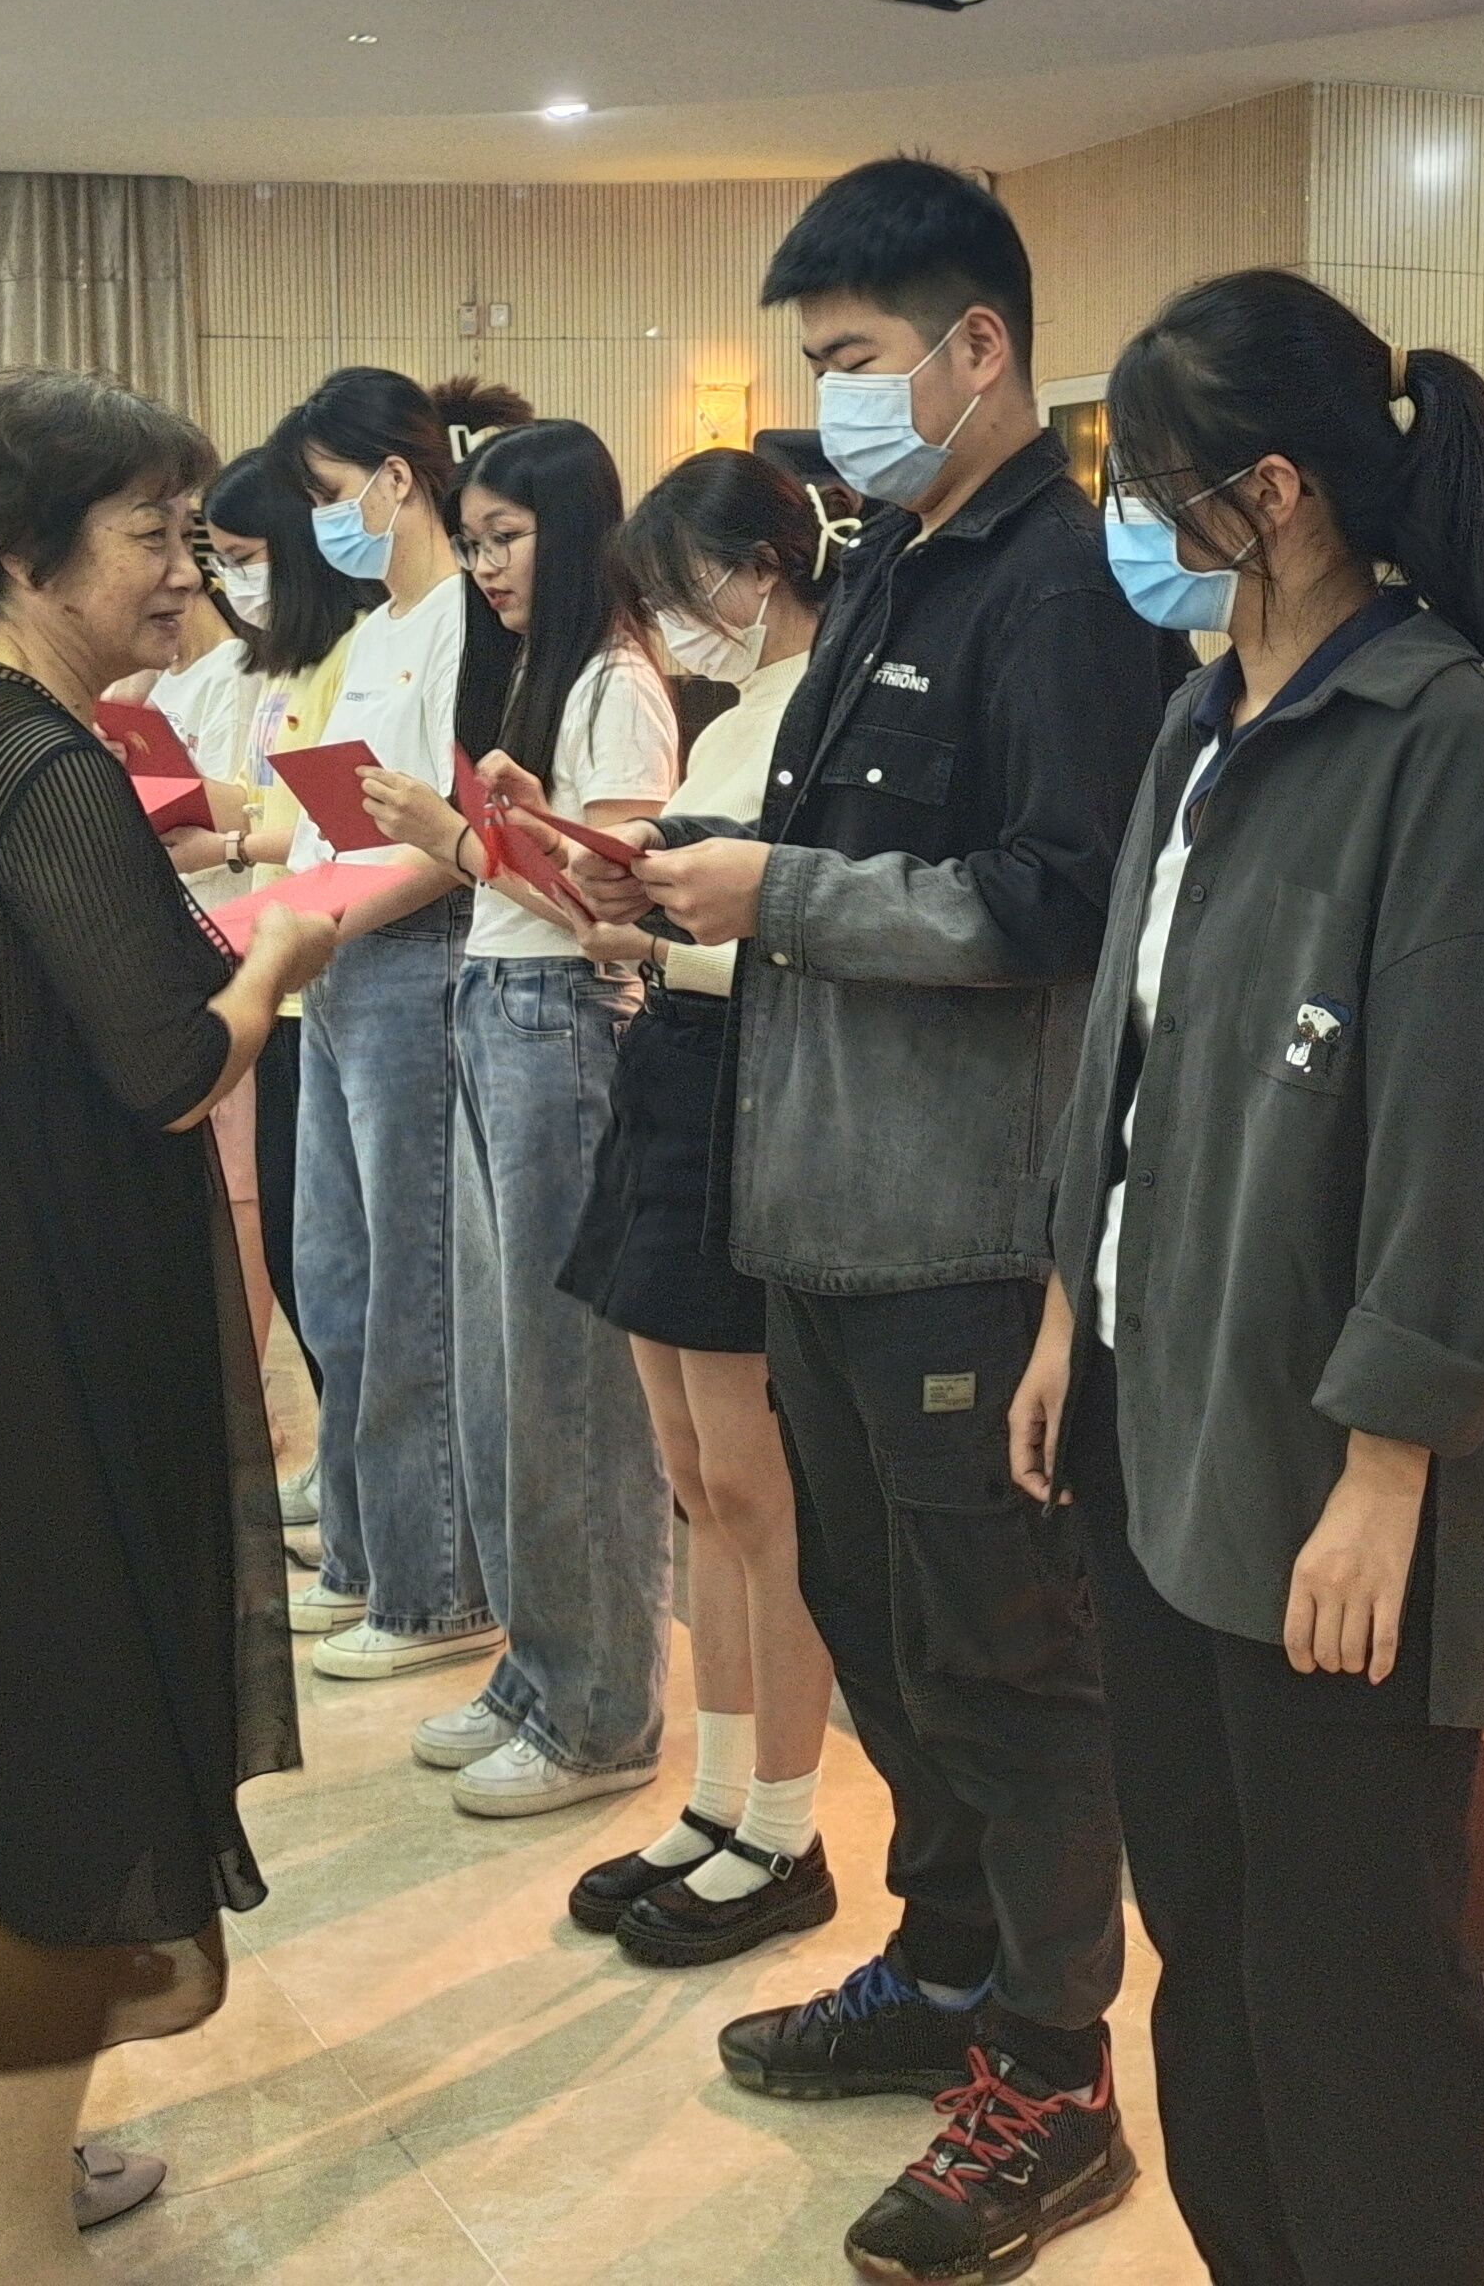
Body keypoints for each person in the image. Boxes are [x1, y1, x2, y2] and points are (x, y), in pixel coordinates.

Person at [564, 157, 1180, 2286]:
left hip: (961, 1234)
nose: (828, 395)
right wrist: (663, 891)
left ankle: (1055, 2079)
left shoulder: (1062, 589)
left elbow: (1059, 906)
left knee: (1005, 1661)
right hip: (818, 1214)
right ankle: (945, 1973)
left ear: (975, 348)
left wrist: (785, 896)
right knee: (891, 1639)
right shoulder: (900, 561)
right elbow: (818, 882)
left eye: (850, 356)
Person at [1007, 272, 1484, 2286]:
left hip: (1333, 1479)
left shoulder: (1442, 744)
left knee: (1356, 1984)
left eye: (1148, 487)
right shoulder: (1204, 720)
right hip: (1160, 1424)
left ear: (1271, 493)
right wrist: (1065, 1308)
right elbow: (1130, 1051)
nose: (1127, 526)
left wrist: (1385, 1469)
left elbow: (1467, 1150)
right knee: (1211, 1938)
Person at [0, 372, 334, 2286]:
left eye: (192, 533)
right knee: (51, 1746)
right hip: (31, 1333)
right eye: (152, 537)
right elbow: (169, 1064)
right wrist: (283, 949)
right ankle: (17, 2240)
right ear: (28, 553)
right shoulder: (45, 763)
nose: (189, 573)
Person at [352, 419, 682, 1819]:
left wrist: (452, 840)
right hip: (498, 1003)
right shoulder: (547, 672)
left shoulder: (619, 679)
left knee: (569, 1382)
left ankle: (600, 1709)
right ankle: (537, 1669)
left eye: (507, 537)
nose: (485, 565)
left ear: (577, 528)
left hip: (565, 1019)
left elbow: (615, 916)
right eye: (474, 541)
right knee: (502, 1372)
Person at [553, 451, 857, 1965]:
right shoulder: (735, 713)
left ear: (761, 565)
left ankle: (784, 1824)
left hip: (745, 1078)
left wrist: (658, 918)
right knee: (691, 1472)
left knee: (753, 1484)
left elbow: (801, 923)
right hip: (670, 1067)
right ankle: (719, 1796)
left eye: (683, 589)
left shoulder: (829, 705)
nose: (672, 622)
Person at [266, 368, 532, 1683]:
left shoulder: (465, 628)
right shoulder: (375, 632)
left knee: (413, 1282)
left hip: (411, 962)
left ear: (394, 478)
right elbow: (339, 815)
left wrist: (322, 918)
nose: (327, 522)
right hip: (337, 958)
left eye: (331, 493)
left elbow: (455, 836)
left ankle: (436, 1587)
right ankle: (366, 1555)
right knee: (337, 1278)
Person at [142, 447, 380, 1551]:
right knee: (304, 1249)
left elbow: (338, 823)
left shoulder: (360, 650)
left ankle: (369, 1493)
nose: (232, 583)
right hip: (276, 969)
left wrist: (233, 838)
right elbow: (281, 801)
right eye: (221, 560)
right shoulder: (280, 667)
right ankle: (343, 1464)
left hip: (321, 961)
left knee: (338, 1256)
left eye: (249, 558)